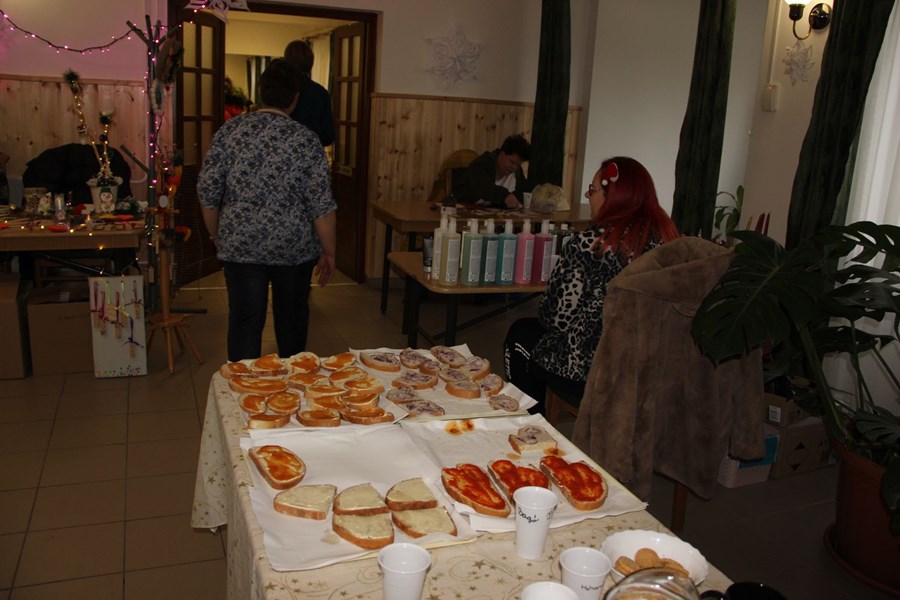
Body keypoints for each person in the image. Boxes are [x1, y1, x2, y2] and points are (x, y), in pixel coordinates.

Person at [503, 156, 680, 413]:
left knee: (520, 334)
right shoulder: (668, 242)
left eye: (593, 189)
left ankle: (529, 424)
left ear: (613, 197)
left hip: (592, 371)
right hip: (649, 369)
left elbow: (555, 319)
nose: (588, 196)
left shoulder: (589, 244)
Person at [198, 58, 337, 362]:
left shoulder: (229, 132)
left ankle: (242, 386)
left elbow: (208, 192)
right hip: (294, 248)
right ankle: (292, 384)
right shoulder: (306, 140)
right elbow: (321, 206)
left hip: (241, 245)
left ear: (260, 92)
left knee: (245, 323)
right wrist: (329, 251)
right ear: (295, 97)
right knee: (292, 323)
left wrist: (215, 235)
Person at [284, 40, 335, 147]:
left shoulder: (281, 89)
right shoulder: (320, 93)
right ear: (310, 62)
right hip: (311, 149)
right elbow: (328, 136)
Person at [461, 134, 534, 208]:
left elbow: (523, 191)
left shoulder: (517, 172)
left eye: (518, 165)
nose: (514, 168)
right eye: (512, 162)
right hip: (464, 209)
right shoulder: (481, 164)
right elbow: (484, 188)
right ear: (502, 154)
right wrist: (505, 195)